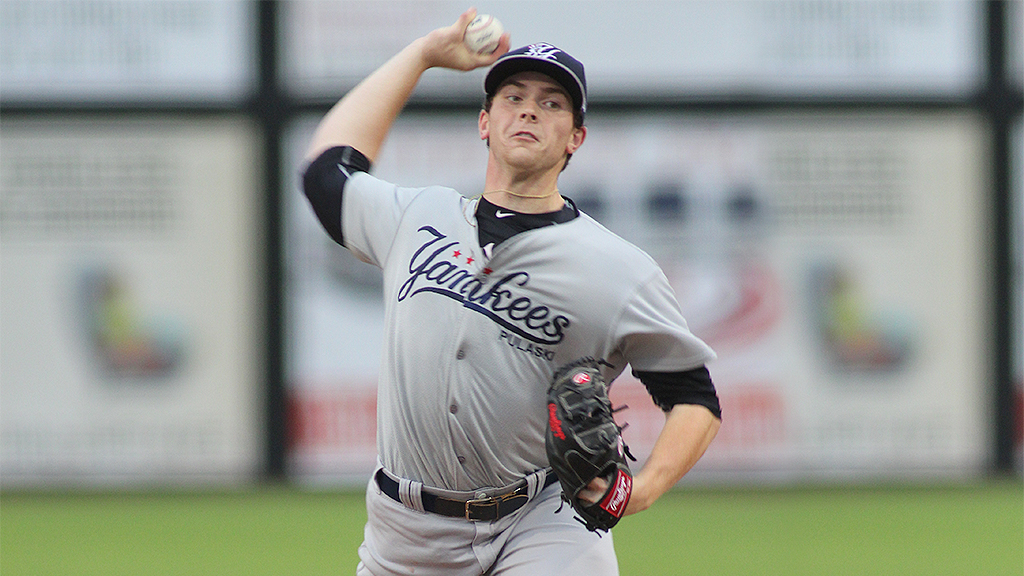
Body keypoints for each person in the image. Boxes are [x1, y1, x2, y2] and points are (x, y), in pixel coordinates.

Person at [301, 9, 721, 576]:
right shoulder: (415, 218)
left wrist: (641, 489)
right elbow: (325, 170)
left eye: (551, 103)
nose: (528, 109)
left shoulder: (618, 270)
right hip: (406, 530)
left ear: (576, 138)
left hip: (542, 518)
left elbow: (695, 398)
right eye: (513, 97)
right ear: (484, 121)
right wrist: (422, 55)